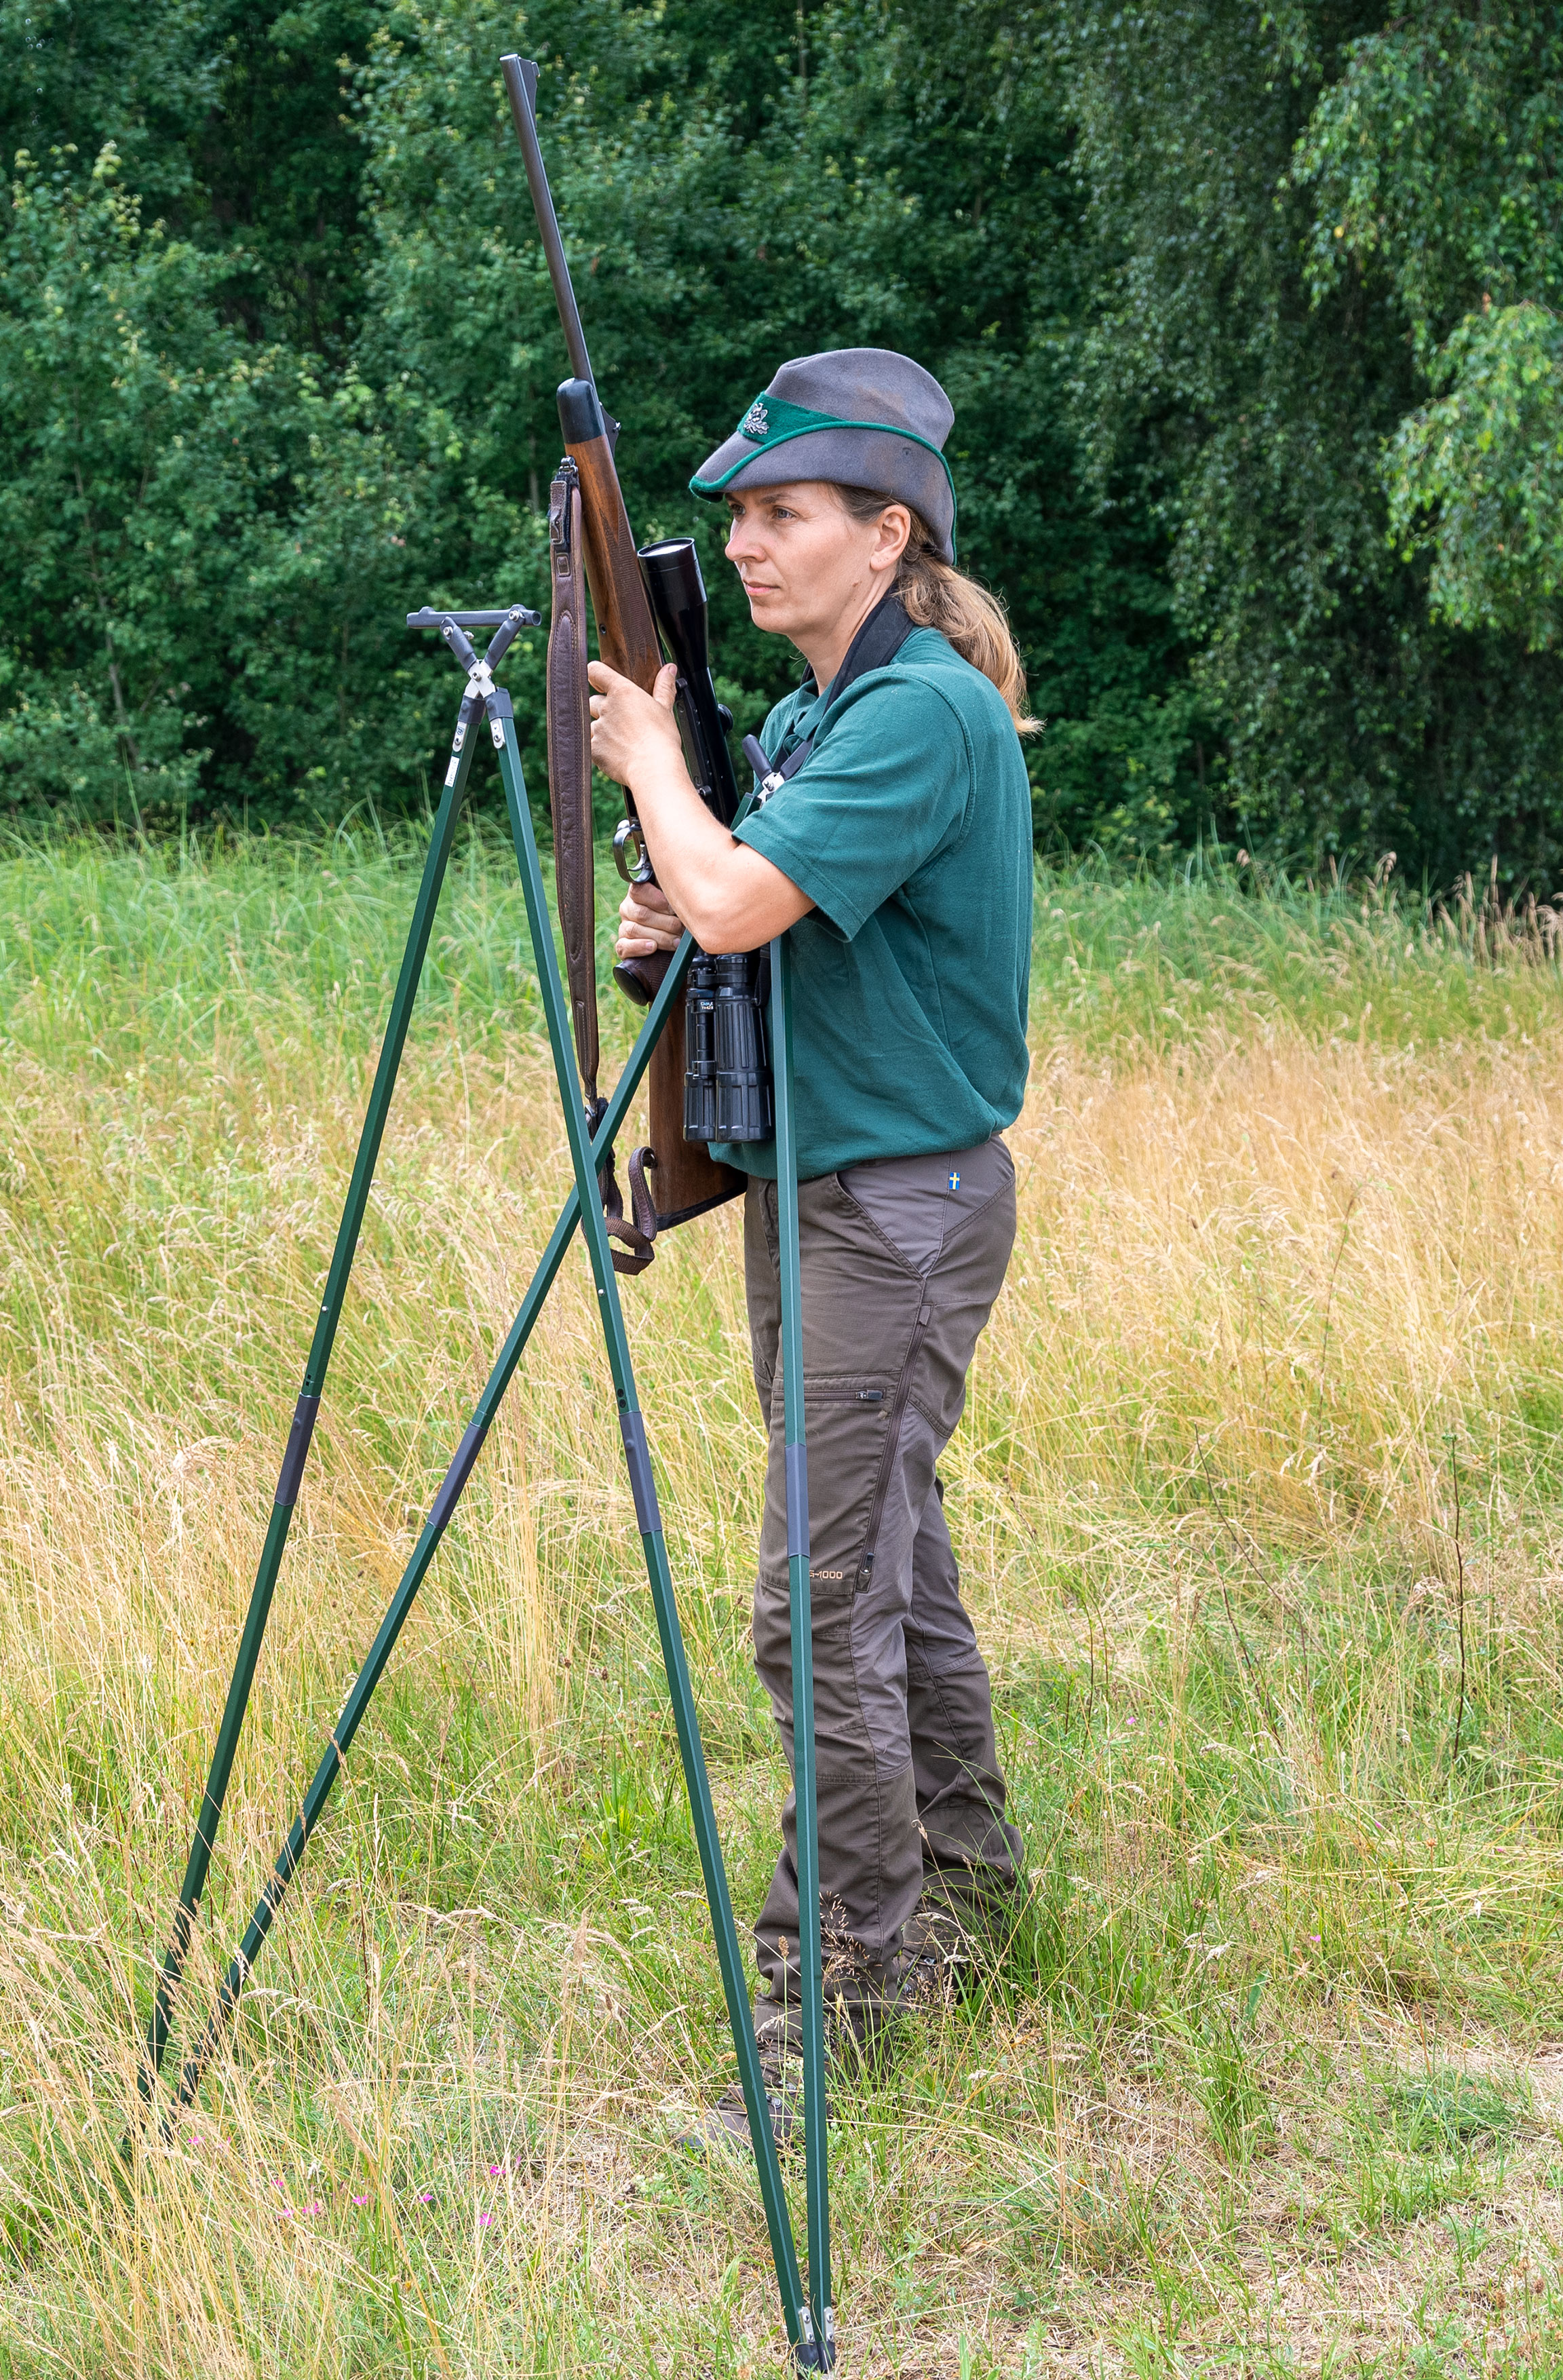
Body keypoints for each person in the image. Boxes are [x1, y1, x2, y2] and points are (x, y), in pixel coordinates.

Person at [588, 349, 1035, 2137]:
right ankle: (970, 1899)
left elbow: (744, 896)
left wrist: (648, 774)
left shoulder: (918, 714)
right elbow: (726, 927)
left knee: (816, 1598)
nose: (751, 547)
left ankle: (848, 1989)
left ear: (885, 530)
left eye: (783, 515)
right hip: (829, 1191)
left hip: (900, 1201)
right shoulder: (819, 724)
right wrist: (662, 901)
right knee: (888, 1563)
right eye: (740, 522)